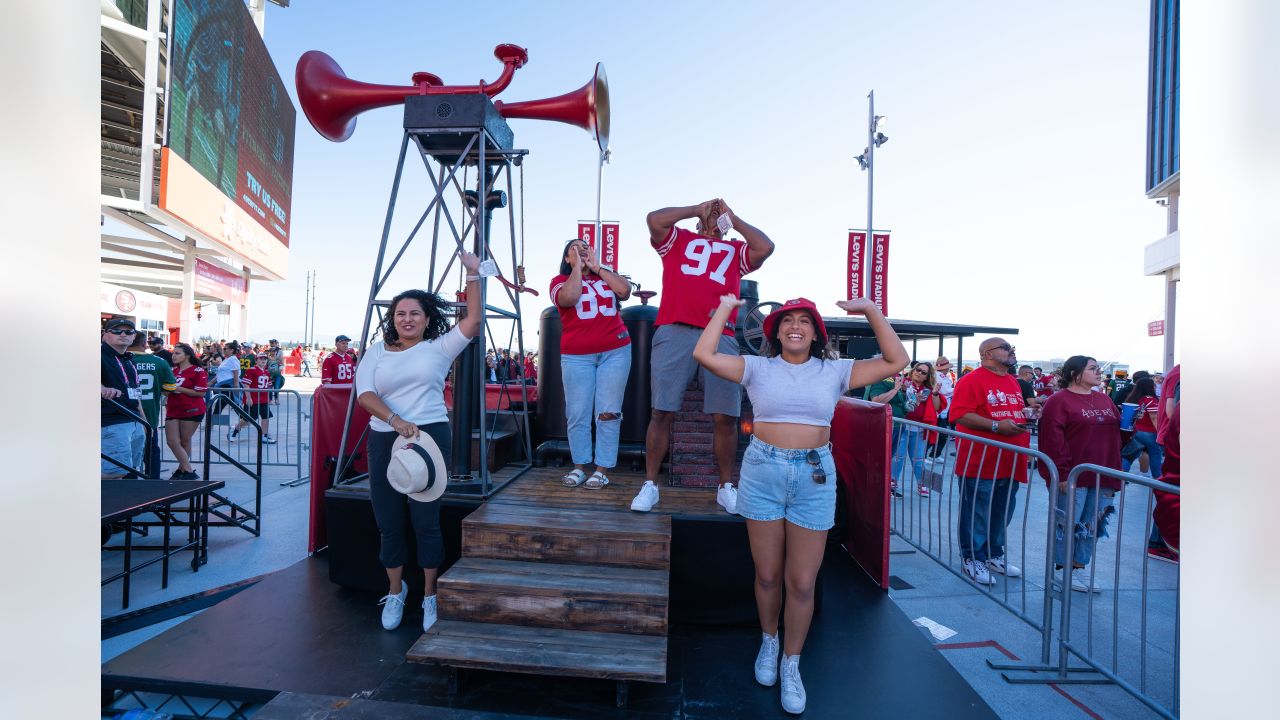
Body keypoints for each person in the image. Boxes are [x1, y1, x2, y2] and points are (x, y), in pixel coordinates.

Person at [693, 294, 907, 715]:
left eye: (804, 321)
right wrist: (722, 307)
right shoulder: (757, 367)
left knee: (803, 582)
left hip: (814, 476)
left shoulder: (836, 370)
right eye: (786, 320)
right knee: (768, 575)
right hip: (763, 471)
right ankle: (769, 642)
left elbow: (895, 360)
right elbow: (704, 353)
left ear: (815, 332)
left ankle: (793, 663)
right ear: (774, 331)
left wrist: (870, 311)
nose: (795, 326)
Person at [355, 252, 483, 633]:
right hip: (385, 440)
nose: (407, 319)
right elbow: (365, 395)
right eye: (400, 314)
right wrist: (395, 420)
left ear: (427, 319)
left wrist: (473, 274)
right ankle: (396, 589)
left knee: (426, 521)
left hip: (429, 439)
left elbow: (473, 320)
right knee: (389, 521)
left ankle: (430, 593)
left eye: (414, 313)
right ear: (392, 320)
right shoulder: (376, 352)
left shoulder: (439, 347)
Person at [634, 198, 775, 515]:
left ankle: (726, 486)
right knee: (662, 411)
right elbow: (654, 219)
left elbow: (765, 247)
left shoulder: (736, 251)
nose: (713, 219)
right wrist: (696, 209)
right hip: (676, 330)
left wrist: (733, 219)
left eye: (717, 217)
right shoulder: (679, 240)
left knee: (726, 416)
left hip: (720, 333)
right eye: (708, 217)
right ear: (697, 223)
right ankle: (650, 484)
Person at [1035, 355, 1123, 592]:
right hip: (1074, 476)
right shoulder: (1058, 401)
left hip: (1104, 473)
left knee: (1092, 525)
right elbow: (1052, 441)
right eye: (1093, 369)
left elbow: (1116, 436)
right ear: (1076, 373)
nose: (1098, 373)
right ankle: (1062, 571)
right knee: (1068, 524)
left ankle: (1079, 568)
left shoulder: (1104, 399)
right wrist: (1061, 474)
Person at [551, 238, 633, 489]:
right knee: (578, 412)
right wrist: (578, 267)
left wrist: (597, 268)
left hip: (615, 351)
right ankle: (579, 466)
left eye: (585, 246)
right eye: (574, 248)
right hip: (577, 355)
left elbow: (625, 291)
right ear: (566, 258)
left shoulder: (605, 275)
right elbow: (569, 298)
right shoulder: (558, 281)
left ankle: (602, 469)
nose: (582, 249)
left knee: (609, 412)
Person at [950, 337, 1030, 586]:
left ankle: (994, 554)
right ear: (987, 353)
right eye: (1005, 348)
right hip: (980, 459)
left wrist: (1028, 414)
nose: (1011, 351)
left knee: (1002, 511)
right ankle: (972, 557)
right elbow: (960, 414)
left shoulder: (1013, 382)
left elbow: (1009, 412)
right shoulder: (971, 380)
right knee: (977, 511)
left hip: (1011, 459)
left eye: (1011, 348)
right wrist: (996, 426)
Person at [101, 318, 145, 479]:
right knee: (116, 471)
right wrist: (102, 388)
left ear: (134, 337)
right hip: (111, 422)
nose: (123, 334)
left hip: (134, 421)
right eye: (117, 331)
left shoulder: (129, 360)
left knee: (130, 471)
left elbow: (135, 393)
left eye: (128, 332)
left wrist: (144, 423)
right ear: (105, 335)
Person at [129, 332, 177, 477]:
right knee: (151, 452)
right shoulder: (159, 362)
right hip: (150, 414)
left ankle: (127, 485)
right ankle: (153, 483)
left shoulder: (121, 360)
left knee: (126, 454)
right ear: (144, 344)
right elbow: (170, 387)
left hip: (125, 415)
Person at [897, 361, 941, 498]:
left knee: (919, 459)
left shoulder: (929, 389)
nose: (919, 373)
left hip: (919, 429)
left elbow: (937, 407)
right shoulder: (902, 383)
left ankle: (924, 484)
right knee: (897, 458)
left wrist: (934, 394)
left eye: (923, 372)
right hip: (902, 427)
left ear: (927, 376)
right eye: (917, 369)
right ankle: (892, 484)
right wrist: (902, 390)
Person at [165, 343, 208, 479]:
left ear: (187, 355)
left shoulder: (198, 371)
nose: (174, 356)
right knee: (172, 441)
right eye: (173, 353)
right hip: (173, 409)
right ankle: (187, 470)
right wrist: (167, 390)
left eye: (178, 353)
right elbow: (167, 391)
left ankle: (183, 469)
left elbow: (200, 393)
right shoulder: (173, 371)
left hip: (192, 409)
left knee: (185, 440)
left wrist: (178, 388)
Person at [863, 372, 907, 496]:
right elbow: (877, 401)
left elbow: (900, 404)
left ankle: (883, 488)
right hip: (884, 427)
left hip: (896, 426)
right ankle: (876, 489)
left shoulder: (893, 380)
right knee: (880, 459)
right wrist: (896, 389)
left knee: (887, 459)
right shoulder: (879, 380)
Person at [235, 354, 277, 444]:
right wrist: (248, 397)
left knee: (266, 417)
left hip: (264, 399)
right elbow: (246, 384)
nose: (263, 360)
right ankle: (235, 429)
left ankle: (264, 435)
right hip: (254, 399)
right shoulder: (251, 370)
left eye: (265, 359)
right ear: (256, 360)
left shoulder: (266, 372)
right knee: (249, 419)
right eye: (261, 358)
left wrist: (270, 398)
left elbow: (268, 386)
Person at [928, 356, 956, 459]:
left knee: (941, 435)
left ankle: (934, 455)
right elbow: (945, 391)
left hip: (943, 410)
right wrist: (957, 389)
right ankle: (928, 455)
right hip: (938, 410)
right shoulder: (938, 376)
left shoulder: (943, 376)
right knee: (938, 435)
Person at [211, 341, 243, 415]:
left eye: (225, 348)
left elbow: (236, 373)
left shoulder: (233, 359)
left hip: (229, 386)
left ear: (231, 350)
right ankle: (245, 421)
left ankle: (210, 424)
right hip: (224, 386)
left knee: (221, 405)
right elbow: (221, 374)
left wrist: (235, 387)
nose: (223, 350)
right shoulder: (226, 359)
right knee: (234, 406)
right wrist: (211, 382)